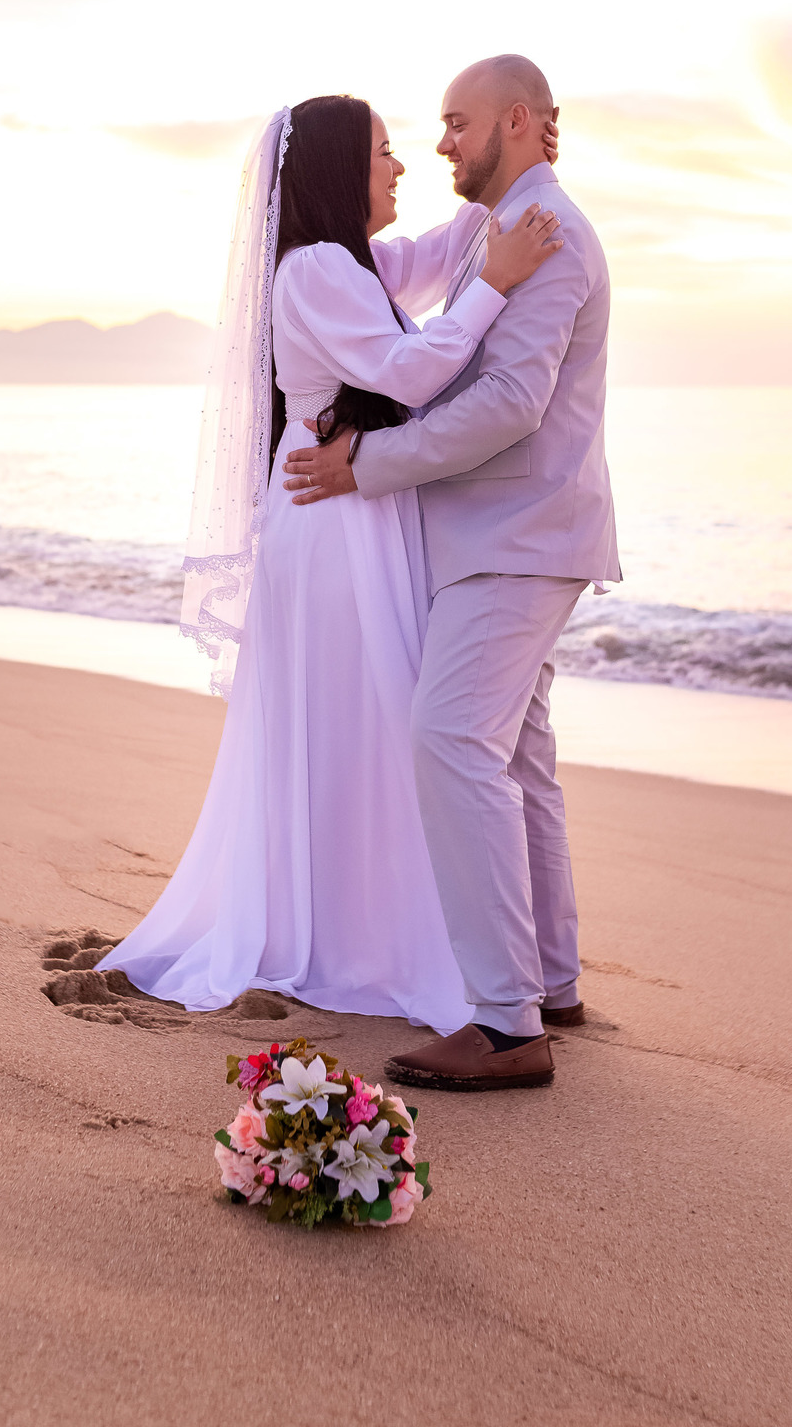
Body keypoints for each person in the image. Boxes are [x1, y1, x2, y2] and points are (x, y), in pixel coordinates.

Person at [96, 93, 562, 1033]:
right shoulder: (315, 271)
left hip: (351, 510)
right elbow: (411, 369)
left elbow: (428, 258)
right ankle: (360, 939)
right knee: (373, 718)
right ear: (340, 168)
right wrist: (497, 284)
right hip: (331, 524)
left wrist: (510, 170)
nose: (400, 168)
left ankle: (369, 924)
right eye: (385, 153)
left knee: (368, 720)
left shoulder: (344, 264)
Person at [283, 55, 620, 1091]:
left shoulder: (547, 235)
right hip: (496, 533)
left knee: (450, 737)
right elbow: (397, 286)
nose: (437, 146)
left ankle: (509, 1026)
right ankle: (550, 984)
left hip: (518, 535)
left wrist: (366, 465)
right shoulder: (493, 227)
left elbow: (511, 402)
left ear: (512, 123)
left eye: (454, 124)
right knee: (516, 757)